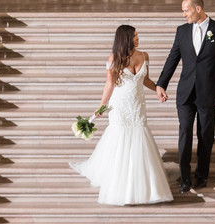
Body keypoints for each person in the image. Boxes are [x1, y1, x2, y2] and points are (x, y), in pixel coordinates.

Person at [71, 25, 175, 205]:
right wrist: (102, 106)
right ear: (126, 38)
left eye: (137, 35)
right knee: (120, 137)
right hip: (120, 106)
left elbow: (145, 80)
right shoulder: (114, 59)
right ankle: (120, 181)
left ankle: (142, 181)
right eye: (135, 36)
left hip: (137, 105)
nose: (138, 38)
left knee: (140, 135)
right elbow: (109, 84)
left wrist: (159, 89)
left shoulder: (144, 55)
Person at [156, 0, 215, 194]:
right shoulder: (181, 31)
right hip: (186, 93)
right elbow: (172, 58)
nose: (184, 15)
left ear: (198, 8)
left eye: (186, 10)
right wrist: (161, 84)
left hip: (210, 92)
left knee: (205, 136)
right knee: (184, 133)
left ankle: (202, 176)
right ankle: (184, 179)